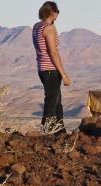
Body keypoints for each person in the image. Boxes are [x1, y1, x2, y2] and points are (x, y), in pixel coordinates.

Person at [32, 1, 71, 132]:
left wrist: (52, 22)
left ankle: (60, 131)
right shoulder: (48, 29)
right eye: (58, 12)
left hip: (42, 69)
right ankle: (47, 130)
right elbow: (53, 52)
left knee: (56, 100)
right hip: (50, 69)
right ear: (53, 13)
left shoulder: (38, 26)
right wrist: (64, 74)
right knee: (51, 101)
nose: (58, 15)